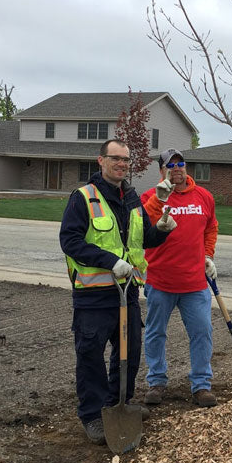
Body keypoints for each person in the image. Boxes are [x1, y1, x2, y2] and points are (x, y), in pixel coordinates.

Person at [59, 139, 176, 445]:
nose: (122, 164)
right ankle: (93, 415)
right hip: (93, 295)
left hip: (127, 292)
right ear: (101, 161)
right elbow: (70, 241)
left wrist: (161, 230)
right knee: (91, 356)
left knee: (129, 352)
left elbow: (143, 240)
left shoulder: (132, 198)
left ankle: (119, 403)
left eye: (126, 160)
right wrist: (111, 261)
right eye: (116, 159)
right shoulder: (83, 198)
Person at [141, 148, 220, 408]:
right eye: (170, 165)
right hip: (160, 281)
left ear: (187, 167)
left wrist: (208, 255)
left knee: (202, 332)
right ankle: (156, 381)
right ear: (161, 170)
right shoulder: (150, 197)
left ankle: (201, 385)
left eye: (181, 164)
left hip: (194, 283)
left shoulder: (204, 197)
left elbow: (211, 228)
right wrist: (159, 200)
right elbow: (144, 226)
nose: (177, 169)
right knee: (155, 333)